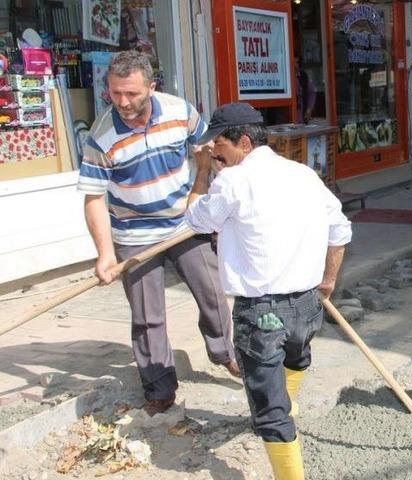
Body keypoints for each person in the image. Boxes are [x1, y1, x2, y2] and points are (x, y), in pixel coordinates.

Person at [185, 102, 352, 479]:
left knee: (269, 410)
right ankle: (285, 409)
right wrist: (328, 281)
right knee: (296, 360)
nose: (213, 152)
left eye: (219, 145)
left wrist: (201, 174)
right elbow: (340, 232)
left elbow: (196, 219)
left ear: (243, 142)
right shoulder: (303, 174)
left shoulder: (232, 181)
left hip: (262, 313)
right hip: (307, 306)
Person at [77, 50, 239, 416]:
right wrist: (105, 254)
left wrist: (204, 187)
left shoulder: (179, 111)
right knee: (148, 318)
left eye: (131, 93)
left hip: (184, 224)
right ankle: (160, 388)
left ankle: (225, 354)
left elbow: (207, 147)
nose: (123, 102)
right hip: (134, 234)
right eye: (115, 93)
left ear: (151, 86)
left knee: (213, 293)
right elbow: (93, 199)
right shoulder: (101, 137)